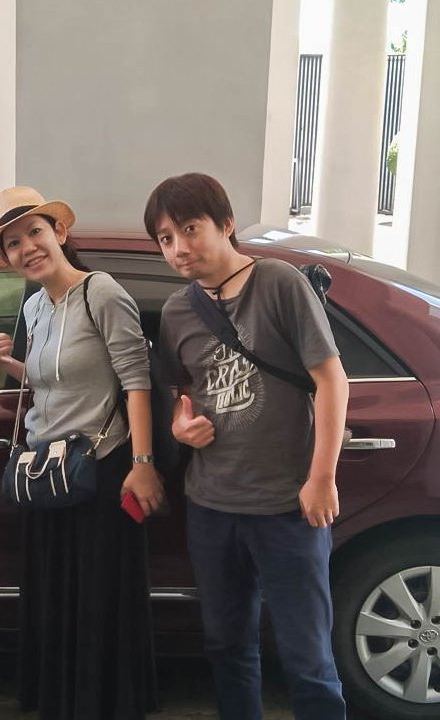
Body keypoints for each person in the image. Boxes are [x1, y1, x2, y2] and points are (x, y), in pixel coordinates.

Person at [145, 172, 349, 719]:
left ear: (227, 224)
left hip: (287, 507)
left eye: (190, 229)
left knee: (307, 656)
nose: (179, 247)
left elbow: (332, 380)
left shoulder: (279, 283)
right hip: (211, 506)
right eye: (166, 238)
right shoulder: (178, 311)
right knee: (227, 646)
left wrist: (321, 477)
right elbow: (181, 391)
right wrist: (180, 426)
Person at [0, 186, 164, 720]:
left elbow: (136, 382)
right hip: (49, 473)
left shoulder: (99, 292)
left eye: (35, 232)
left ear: (59, 233)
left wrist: (143, 465)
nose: (28, 248)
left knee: (97, 599)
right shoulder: (35, 306)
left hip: (101, 472)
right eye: (13, 243)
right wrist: (10, 366)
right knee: (58, 598)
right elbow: (55, 383)